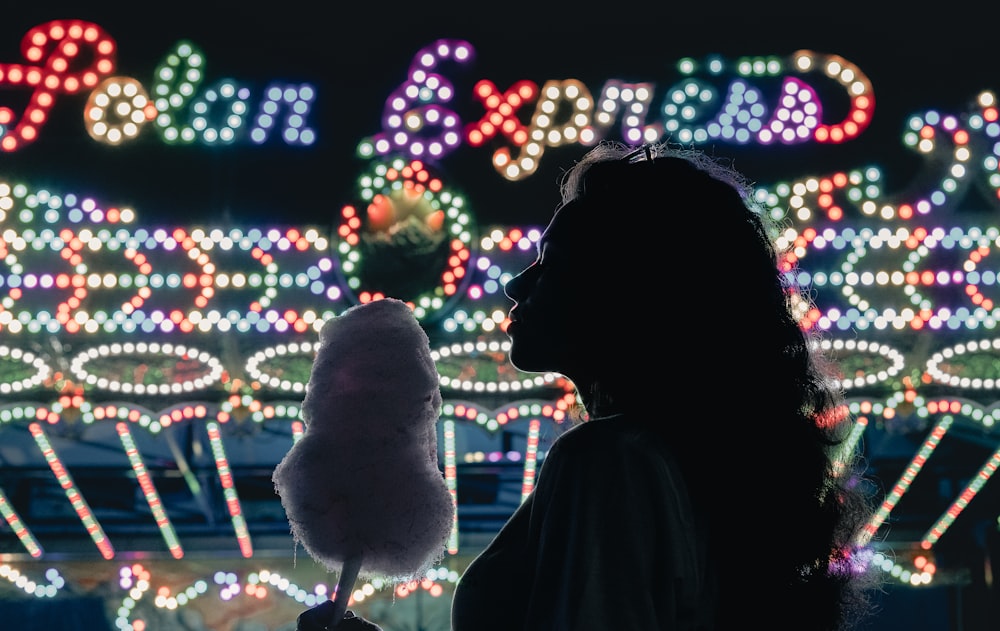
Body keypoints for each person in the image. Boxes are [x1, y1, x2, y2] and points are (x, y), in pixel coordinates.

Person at [301, 140, 881, 630]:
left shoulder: (610, 460)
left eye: (551, 262)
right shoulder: (692, 468)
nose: (514, 284)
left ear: (626, 288)